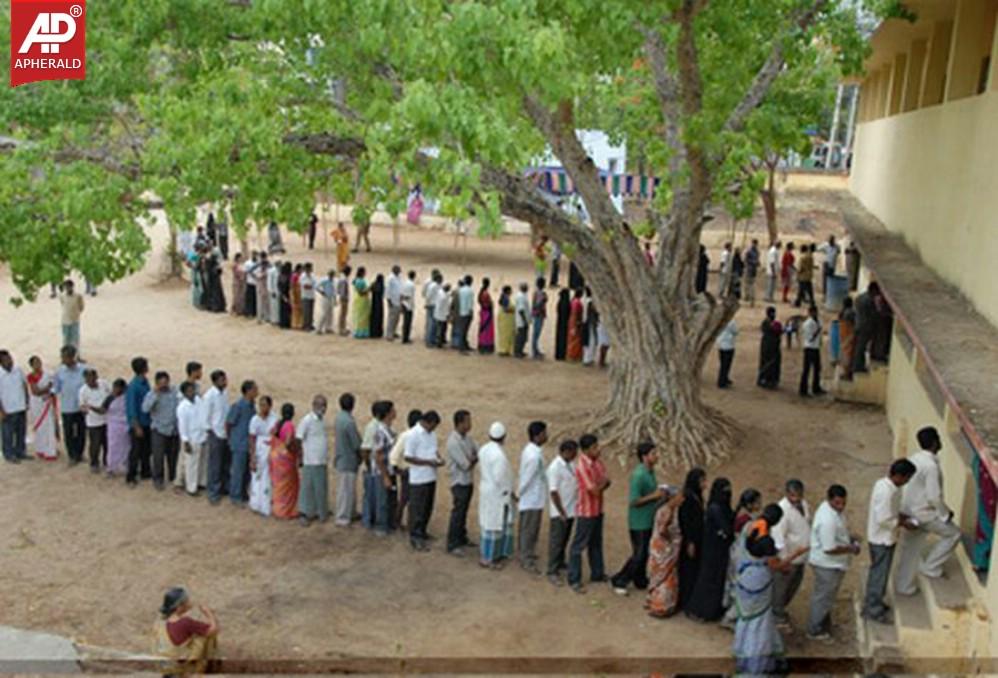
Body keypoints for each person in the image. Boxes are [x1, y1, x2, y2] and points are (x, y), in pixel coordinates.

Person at [896, 426, 963, 596]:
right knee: (953, 534)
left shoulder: (915, 458)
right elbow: (934, 496)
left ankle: (903, 586)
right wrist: (945, 513)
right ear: (935, 443)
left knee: (910, 549)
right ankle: (931, 567)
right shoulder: (931, 466)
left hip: (908, 510)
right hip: (924, 513)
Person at [733, 530, 807, 676]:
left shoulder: (745, 561)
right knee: (759, 640)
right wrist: (795, 555)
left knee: (746, 634)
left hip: (745, 609)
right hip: (760, 613)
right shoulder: (760, 573)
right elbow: (777, 567)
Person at [863, 458, 917, 624]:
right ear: (899, 476)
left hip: (885, 537)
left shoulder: (887, 486)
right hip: (881, 539)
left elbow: (891, 511)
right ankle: (872, 609)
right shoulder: (886, 492)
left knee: (881, 573)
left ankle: (875, 602)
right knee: (879, 574)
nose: (907, 482)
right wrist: (903, 523)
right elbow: (884, 519)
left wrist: (901, 516)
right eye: (907, 478)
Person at [806, 484, 860, 641]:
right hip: (827, 564)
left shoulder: (831, 510)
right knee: (823, 597)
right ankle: (814, 629)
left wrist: (849, 538)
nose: (841, 506)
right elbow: (829, 548)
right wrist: (851, 549)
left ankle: (822, 622)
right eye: (837, 503)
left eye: (843, 503)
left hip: (831, 563)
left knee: (826, 596)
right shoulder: (828, 520)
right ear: (829, 500)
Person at [611, 442, 662, 596]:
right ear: (645, 457)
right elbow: (634, 501)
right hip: (639, 521)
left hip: (648, 519)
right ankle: (620, 579)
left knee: (644, 552)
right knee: (639, 554)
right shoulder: (639, 475)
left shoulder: (650, 471)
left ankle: (639, 579)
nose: (656, 456)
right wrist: (654, 496)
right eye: (653, 453)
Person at [686, 478, 735, 621]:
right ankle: (700, 610)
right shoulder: (715, 508)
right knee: (709, 579)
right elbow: (726, 528)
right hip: (713, 550)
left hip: (718, 550)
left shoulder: (719, 506)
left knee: (716, 579)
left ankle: (711, 610)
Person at [568, 434, 610, 593]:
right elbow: (595, 489)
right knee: (578, 546)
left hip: (597, 509)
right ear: (585, 450)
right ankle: (574, 579)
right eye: (594, 447)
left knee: (596, 543)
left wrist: (600, 486)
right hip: (586, 511)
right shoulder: (582, 466)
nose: (598, 449)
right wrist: (601, 485)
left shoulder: (597, 463)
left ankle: (597, 573)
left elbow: (605, 482)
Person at [770, 479, 812, 626]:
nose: (796, 499)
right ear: (787, 494)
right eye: (793, 495)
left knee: (794, 586)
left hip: (801, 556)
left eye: (799, 495)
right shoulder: (782, 511)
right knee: (781, 588)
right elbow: (779, 538)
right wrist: (784, 561)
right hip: (789, 559)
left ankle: (781, 610)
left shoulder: (804, 505)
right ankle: (776, 614)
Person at [404, 410, 444, 551]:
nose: (434, 429)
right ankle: (415, 537)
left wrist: (439, 459)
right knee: (418, 510)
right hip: (419, 478)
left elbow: (434, 450)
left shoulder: (431, 434)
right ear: (428, 422)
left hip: (430, 476)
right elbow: (408, 457)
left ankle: (422, 532)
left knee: (427, 507)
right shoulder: (412, 435)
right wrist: (428, 462)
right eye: (433, 425)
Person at [154, 587, 219, 674]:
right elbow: (214, 629)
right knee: (203, 636)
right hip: (181, 669)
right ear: (179, 607)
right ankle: (206, 667)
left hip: (165, 667)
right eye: (187, 601)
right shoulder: (186, 622)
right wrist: (209, 613)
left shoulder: (160, 623)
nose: (189, 602)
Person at [478, 422, 516, 569]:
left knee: (487, 524)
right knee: (495, 526)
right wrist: (510, 491)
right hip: (497, 494)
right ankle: (491, 559)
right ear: (503, 437)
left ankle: (485, 554)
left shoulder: (484, 449)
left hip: (487, 490)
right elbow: (500, 478)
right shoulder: (499, 456)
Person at [645, 487, 686, 618]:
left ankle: (657, 602)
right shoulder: (667, 512)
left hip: (663, 549)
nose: (682, 499)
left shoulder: (670, 510)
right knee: (664, 577)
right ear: (672, 498)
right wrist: (671, 540)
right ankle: (661, 606)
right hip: (664, 550)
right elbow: (663, 531)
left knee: (662, 576)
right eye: (680, 497)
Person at [517, 421, 549, 574]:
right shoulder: (533, 456)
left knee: (530, 528)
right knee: (529, 528)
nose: (546, 436)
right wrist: (519, 494)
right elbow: (527, 478)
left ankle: (527, 552)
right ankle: (526, 557)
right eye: (544, 433)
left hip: (534, 497)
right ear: (537, 436)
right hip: (531, 498)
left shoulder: (533, 451)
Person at [546, 439, 579, 586]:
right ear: (565, 451)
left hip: (570, 508)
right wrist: (561, 511)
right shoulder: (555, 467)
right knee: (556, 541)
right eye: (573, 452)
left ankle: (560, 562)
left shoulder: (571, 464)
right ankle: (552, 570)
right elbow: (553, 492)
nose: (575, 455)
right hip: (560, 511)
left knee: (564, 539)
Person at [446, 409, 478, 556]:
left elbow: (476, 453)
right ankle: (452, 544)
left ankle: (461, 537)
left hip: (467, 480)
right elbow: (465, 464)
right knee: (458, 513)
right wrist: (472, 459)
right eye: (467, 421)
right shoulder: (453, 442)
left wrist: (472, 459)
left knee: (463, 512)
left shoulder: (467, 439)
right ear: (460, 423)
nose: (470, 424)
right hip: (459, 481)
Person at [143, 371, 180, 490]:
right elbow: (145, 409)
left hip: (173, 429)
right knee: (158, 456)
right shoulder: (152, 394)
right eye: (161, 383)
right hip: (159, 430)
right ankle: (158, 479)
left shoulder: (175, 391)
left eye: (166, 383)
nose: (164, 385)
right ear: (157, 383)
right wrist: (156, 395)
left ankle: (173, 477)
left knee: (173, 455)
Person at [297, 395, 330, 526]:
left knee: (321, 487)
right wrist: (300, 457)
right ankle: (305, 513)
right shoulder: (307, 420)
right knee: (308, 488)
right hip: (310, 460)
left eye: (324, 405)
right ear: (314, 405)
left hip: (321, 460)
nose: (323, 408)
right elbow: (298, 439)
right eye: (321, 405)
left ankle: (320, 511)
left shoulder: (321, 420)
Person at [678, 467, 707, 609]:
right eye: (702, 481)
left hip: (697, 538)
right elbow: (686, 521)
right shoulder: (688, 498)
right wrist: (690, 541)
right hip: (690, 540)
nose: (705, 484)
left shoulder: (696, 496)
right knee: (688, 570)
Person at [333, 393, 363, 527]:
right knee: (346, 490)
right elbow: (356, 444)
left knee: (347, 489)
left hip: (342, 457)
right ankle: (343, 517)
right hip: (348, 459)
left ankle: (349, 513)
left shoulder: (339, 418)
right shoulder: (349, 422)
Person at [226, 380, 257, 506]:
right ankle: (235, 496)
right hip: (239, 443)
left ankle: (243, 494)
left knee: (245, 472)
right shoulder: (238, 406)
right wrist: (230, 439)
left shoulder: (251, 405)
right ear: (248, 391)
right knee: (238, 471)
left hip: (246, 443)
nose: (256, 392)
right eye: (254, 389)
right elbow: (229, 423)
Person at [55, 346, 88, 465]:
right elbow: (56, 388)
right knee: (68, 433)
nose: (63, 360)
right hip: (67, 407)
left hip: (80, 407)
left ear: (72, 357)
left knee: (81, 431)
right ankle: (72, 455)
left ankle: (79, 453)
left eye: (65, 357)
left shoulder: (84, 369)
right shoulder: (59, 371)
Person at [369, 400, 398, 535]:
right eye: (392, 410)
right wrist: (385, 476)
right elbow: (378, 456)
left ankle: (389, 524)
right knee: (383, 500)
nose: (395, 412)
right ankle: (381, 527)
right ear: (387, 414)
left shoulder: (389, 429)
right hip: (382, 471)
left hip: (389, 469)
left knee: (390, 499)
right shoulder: (380, 431)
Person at [175, 380, 208, 496]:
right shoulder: (182, 407)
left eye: (193, 390)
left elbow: (203, 416)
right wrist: (185, 441)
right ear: (184, 393)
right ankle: (191, 488)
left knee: (202, 462)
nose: (192, 392)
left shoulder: (199, 401)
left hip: (202, 435)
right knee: (191, 464)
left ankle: (201, 482)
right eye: (189, 391)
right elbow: (182, 426)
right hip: (191, 438)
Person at [204, 370, 231, 504]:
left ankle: (224, 487)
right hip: (215, 433)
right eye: (222, 380)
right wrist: (211, 432)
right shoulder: (209, 396)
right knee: (215, 464)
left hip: (225, 432)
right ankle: (213, 492)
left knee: (225, 463)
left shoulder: (225, 393)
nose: (225, 382)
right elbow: (206, 417)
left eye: (225, 379)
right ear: (215, 382)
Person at [270, 403, 299, 519]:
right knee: (288, 485)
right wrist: (294, 449)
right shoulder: (289, 425)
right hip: (285, 460)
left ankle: (278, 510)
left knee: (278, 484)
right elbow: (288, 442)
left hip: (276, 457)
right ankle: (286, 511)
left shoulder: (278, 424)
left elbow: (272, 435)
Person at [26, 356, 57, 461]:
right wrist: (48, 388)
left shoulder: (48, 374)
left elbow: (54, 387)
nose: (38, 364)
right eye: (35, 363)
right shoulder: (30, 376)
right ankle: (42, 449)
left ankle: (50, 450)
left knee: (49, 426)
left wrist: (49, 389)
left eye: (39, 362)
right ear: (31, 366)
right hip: (37, 404)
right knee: (40, 427)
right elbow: (36, 392)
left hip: (47, 403)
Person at [0, 350, 29, 463]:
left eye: (10, 358)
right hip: (8, 409)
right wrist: (1, 411)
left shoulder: (18, 370)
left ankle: (20, 452)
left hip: (20, 406)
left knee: (21, 431)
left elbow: (24, 384)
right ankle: (9, 454)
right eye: (6, 359)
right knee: (8, 433)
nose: (10, 361)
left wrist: (26, 400)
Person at [852, 281, 880, 374]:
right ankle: (857, 367)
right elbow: (873, 315)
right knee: (861, 348)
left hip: (858, 324)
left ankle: (858, 365)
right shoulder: (869, 301)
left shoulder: (860, 297)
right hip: (865, 327)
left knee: (858, 347)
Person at [106, 379, 130, 477]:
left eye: (117, 387)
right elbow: (102, 409)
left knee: (126, 447)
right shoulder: (110, 398)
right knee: (113, 447)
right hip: (114, 426)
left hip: (126, 425)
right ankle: (111, 467)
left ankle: (125, 465)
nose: (115, 390)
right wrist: (91, 407)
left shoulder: (128, 397)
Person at [799, 305, 825, 397]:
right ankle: (803, 389)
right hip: (809, 348)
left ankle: (816, 387)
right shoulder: (807, 324)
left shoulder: (818, 321)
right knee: (806, 369)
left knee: (817, 368)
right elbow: (810, 338)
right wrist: (817, 331)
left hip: (816, 347)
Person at [757, 307, 782, 389]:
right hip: (769, 346)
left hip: (772, 346)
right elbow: (774, 331)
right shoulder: (767, 323)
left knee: (772, 363)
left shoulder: (771, 322)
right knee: (767, 363)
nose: (773, 315)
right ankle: (765, 380)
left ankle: (770, 380)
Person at [59, 280, 85, 351]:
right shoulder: (62, 296)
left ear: (72, 287)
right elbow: (62, 304)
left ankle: (76, 355)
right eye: (66, 287)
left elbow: (81, 307)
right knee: (66, 339)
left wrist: (76, 314)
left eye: (69, 287)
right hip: (65, 320)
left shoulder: (78, 296)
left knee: (75, 339)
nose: (67, 289)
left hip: (75, 320)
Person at [837, 296, 856, 381]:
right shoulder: (851, 312)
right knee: (849, 354)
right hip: (849, 334)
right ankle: (847, 373)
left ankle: (845, 372)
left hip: (843, 335)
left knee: (844, 353)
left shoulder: (842, 312)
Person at [716, 318, 737, 389]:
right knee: (726, 365)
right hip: (729, 345)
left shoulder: (719, 320)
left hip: (721, 345)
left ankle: (724, 379)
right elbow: (735, 331)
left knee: (723, 364)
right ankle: (722, 382)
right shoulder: (731, 321)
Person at [422, 270, 442, 347]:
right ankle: (429, 341)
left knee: (433, 324)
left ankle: (432, 339)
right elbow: (428, 296)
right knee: (431, 324)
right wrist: (427, 304)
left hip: (435, 305)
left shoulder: (437, 285)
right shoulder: (433, 286)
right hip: (432, 305)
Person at [530, 277, 548, 359]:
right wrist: (543, 300)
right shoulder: (539, 294)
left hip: (539, 314)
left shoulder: (538, 293)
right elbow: (536, 305)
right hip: (538, 315)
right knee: (536, 334)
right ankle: (534, 351)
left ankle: (536, 350)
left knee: (536, 334)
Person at [315, 269, 337, 335]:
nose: (332, 276)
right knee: (324, 313)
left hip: (331, 298)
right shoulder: (324, 280)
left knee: (330, 313)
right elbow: (316, 286)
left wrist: (335, 299)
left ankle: (328, 328)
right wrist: (321, 292)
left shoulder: (334, 281)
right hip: (325, 298)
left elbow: (334, 291)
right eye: (331, 274)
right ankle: (319, 328)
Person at [566, 288, 585, 362]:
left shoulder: (573, 301)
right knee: (576, 339)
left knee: (572, 338)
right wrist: (578, 322)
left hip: (571, 320)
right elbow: (577, 313)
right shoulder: (578, 303)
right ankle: (574, 355)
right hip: (576, 321)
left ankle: (571, 354)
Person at [352, 267, 372, 339]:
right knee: (363, 316)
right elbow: (361, 293)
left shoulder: (356, 280)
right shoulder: (361, 281)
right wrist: (369, 288)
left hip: (358, 299)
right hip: (363, 300)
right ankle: (362, 332)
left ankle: (358, 331)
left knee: (359, 316)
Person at [496, 285, 515, 357]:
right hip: (506, 319)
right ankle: (504, 350)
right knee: (506, 335)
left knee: (503, 334)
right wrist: (513, 310)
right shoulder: (505, 298)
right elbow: (506, 309)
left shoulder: (504, 297)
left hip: (503, 318)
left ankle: (504, 349)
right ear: (508, 291)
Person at [477, 278, 495, 354]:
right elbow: (488, 304)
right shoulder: (485, 293)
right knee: (487, 331)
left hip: (483, 311)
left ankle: (482, 345)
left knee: (483, 329)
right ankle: (486, 346)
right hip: (487, 312)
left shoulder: (481, 292)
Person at [385, 265, 403, 341]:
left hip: (398, 300)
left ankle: (394, 332)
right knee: (391, 318)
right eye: (399, 270)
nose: (400, 272)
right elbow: (388, 290)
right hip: (393, 301)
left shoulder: (398, 277)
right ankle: (389, 335)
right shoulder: (390, 278)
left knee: (397, 318)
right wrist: (389, 301)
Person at [513, 282, 530, 359]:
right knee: (521, 336)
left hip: (522, 319)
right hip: (521, 320)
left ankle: (520, 351)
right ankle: (517, 351)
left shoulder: (522, 295)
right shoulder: (521, 297)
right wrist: (525, 321)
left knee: (523, 336)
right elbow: (521, 310)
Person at [433, 283, 452, 348]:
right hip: (442, 314)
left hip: (439, 314)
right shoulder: (444, 297)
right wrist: (447, 314)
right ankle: (439, 343)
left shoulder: (440, 292)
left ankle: (441, 340)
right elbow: (444, 306)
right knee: (440, 329)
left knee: (442, 328)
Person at [400, 270, 417, 344]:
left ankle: (405, 337)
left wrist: (402, 300)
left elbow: (402, 294)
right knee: (408, 322)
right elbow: (409, 296)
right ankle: (405, 338)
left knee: (405, 322)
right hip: (409, 305)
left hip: (404, 304)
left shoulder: (405, 283)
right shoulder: (412, 285)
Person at [299, 263, 317, 331]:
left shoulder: (313, 275)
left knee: (311, 311)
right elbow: (305, 286)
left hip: (312, 295)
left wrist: (311, 286)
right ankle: (305, 325)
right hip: (305, 296)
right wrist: (311, 286)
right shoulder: (302, 276)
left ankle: (310, 324)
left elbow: (315, 284)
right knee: (306, 312)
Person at [554, 289, 570, 361]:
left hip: (559, 322)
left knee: (559, 338)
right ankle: (562, 354)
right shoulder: (567, 303)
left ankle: (558, 354)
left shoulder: (560, 302)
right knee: (563, 339)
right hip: (565, 323)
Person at [337, 265, 352, 336]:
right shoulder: (343, 279)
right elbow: (343, 290)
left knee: (343, 314)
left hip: (343, 297)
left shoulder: (342, 277)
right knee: (343, 314)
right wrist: (344, 298)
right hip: (344, 298)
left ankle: (343, 327)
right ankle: (341, 329)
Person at [744, 239, 760, 306]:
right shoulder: (750, 251)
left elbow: (747, 260)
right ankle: (748, 296)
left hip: (752, 270)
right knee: (748, 284)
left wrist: (756, 263)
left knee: (751, 284)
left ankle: (751, 298)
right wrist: (755, 262)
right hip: (750, 269)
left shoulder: (755, 251)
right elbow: (746, 260)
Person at [370, 273, 385, 339]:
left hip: (373, 303)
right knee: (379, 317)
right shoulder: (381, 285)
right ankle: (378, 332)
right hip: (379, 303)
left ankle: (373, 332)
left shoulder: (373, 284)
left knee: (374, 318)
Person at [243, 253, 258, 318]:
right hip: (249, 282)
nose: (255, 257)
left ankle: (254, 312)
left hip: (256, 283)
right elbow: (245, 272)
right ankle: (249, 312)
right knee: (249, 299)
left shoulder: (258, 263)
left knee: (255, 299)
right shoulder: (247, 263)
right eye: (254, 255)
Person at [290, 263, 304, 330]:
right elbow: (292, 285)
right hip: (296, 294)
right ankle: (295, 324)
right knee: (295, 310)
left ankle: (300, 324)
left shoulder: (301, 275)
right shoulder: (295, 276)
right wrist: (293, 295)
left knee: (300, 310)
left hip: (301, 294)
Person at [267, 257, 281, 324]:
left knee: (278, 306)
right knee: (273, 306)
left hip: (279, 291)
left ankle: (278, 319)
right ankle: (273, 320)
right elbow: (269, 282)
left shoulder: (280, 270)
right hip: (273, 291)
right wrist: (271, 291)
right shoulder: (271, 271)